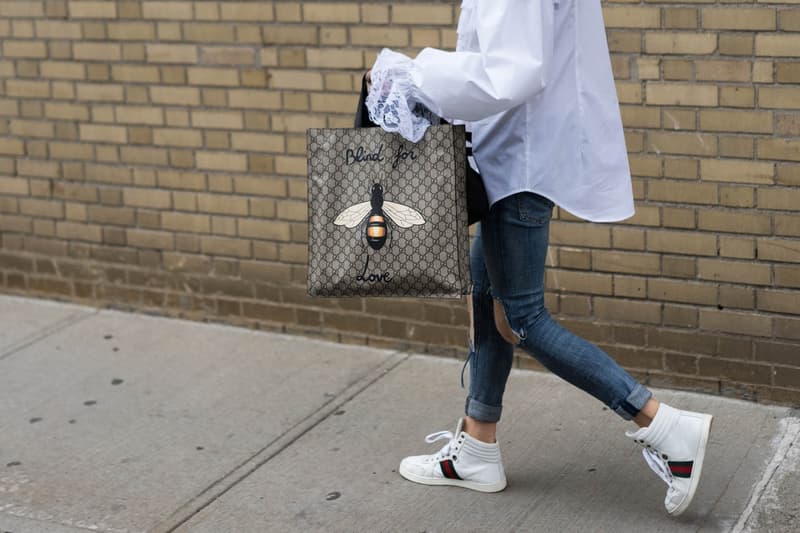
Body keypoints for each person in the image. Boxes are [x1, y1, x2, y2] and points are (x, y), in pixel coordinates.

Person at [364, 0, 713, 517]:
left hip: (516, 168)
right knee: (486, 299)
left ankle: (664, 425)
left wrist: (414, 73)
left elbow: (513, 72)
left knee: (522, 318)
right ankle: (478, 448)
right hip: (510, 160)